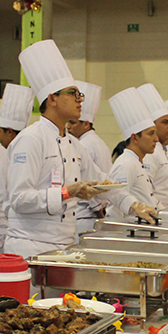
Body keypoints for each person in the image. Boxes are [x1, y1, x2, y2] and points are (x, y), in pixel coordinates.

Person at [5, 40, 104, 258]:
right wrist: (69, 192)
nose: (80, 101)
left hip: (64, 245)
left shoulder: (74, 144)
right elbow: (19, 199)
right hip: (31, 247)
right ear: (52, 99)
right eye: (73, 94)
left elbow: (102, 181)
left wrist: (132, 204)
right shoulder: (31, 139)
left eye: (80, 95)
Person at [0, 82, 34, 252]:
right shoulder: (6, 152)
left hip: (7, 230)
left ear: (10, 132)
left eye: (0, 132)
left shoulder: (0, 154)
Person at [105, 87, 159, 224]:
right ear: (135, 138)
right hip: (126, 232)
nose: (156, 139)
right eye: (151, 134)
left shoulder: (137, 162)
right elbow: (115, 195)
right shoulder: (125, 163)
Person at [69, 81, 111, 233]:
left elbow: (90, 183)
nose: (69, 127)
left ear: (86, 124)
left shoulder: (84, 145)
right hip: (95, 215)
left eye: (72, 123)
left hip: (86, 216)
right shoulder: (99, 142)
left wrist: (99, 211)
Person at [137, 83, 168, 210]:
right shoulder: (151, 153)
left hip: (166, 214)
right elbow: (146, 191)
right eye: (165, 123)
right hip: (156, 215)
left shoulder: (164, 150)